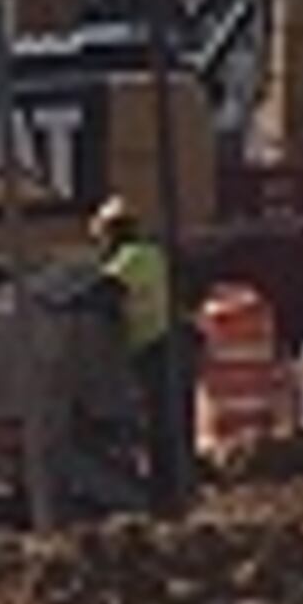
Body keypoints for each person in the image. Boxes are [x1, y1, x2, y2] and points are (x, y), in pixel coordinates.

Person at [93, 198, 173, 475]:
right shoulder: (151, 254)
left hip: (149, 347)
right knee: (159, 419)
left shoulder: (133, 258)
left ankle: (160, 480)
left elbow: (105, 290)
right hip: (155, 344)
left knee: (150, 418)